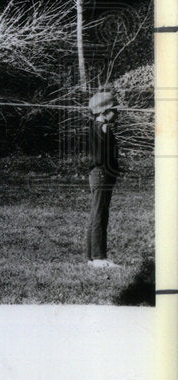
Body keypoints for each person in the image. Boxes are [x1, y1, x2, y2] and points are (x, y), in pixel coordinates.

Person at [86, 90, 123, 268]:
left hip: (99, 174)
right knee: (99, 215)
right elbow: (102, 157)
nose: (117, 113)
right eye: (113, 110)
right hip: (101, 175)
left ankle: (93, 257)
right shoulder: (102, 129)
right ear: (103, 112)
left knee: (96, 215)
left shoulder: (96, 127)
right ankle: (98, 258)